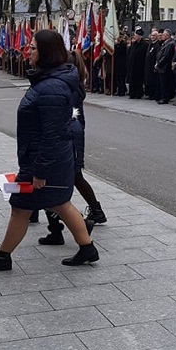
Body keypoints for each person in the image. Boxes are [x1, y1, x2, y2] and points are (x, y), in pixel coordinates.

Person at [0, 30, 98, 271]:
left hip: (45, 161)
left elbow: (52, 134)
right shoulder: (50, 81)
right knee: (61, 203)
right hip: (50, 158)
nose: (27, 51)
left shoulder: (52, 87)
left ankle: (3, 257)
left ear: (46, 53)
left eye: (32, 48)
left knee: (21, 206)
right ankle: (87, 248)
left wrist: (40, 171)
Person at [39, 50, 107, 245]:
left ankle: (74, 224)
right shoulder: (72, 83)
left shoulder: (68, 87)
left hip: (68, 135)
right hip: (71, 133)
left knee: (57, 181)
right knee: (69, 177)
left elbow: (67, 114)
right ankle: (91, 213)